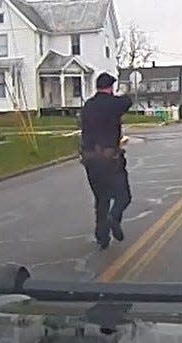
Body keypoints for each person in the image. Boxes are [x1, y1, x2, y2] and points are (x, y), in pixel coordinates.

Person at [80, 72, 133, 249]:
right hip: (110, 159)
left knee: (101, 199)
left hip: (90, 160)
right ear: (110, 87)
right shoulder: (114, 104)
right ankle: (114, 217)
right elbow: (128, 102)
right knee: (123, 196)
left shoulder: (88, 106)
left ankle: (102, 237)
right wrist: (122, 93)